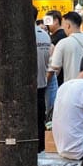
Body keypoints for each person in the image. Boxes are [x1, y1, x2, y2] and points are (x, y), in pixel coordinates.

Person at [48, 11, 83, 85]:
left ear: (68, 25)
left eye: (63, 25)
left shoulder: (63, 43)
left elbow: (54, 68)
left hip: (71, 86)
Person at [35, 10, 52, 154]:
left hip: (28, 86)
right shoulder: (45, 36)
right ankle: (41, 146)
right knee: (40, 117)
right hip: (42, 82)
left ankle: (34, 147)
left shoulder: (25, 35)